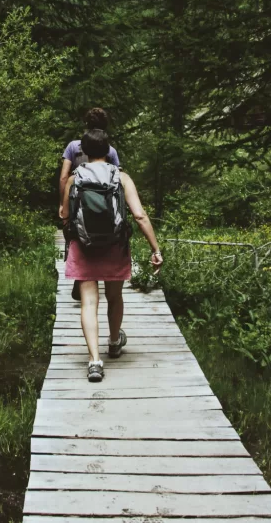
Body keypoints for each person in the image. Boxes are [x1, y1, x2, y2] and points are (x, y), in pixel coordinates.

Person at [60, 129, 163, 382]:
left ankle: (95, 361)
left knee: (88, 303)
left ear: (83, 152)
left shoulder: (74, 179)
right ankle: (114, 341)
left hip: (83, 247)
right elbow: (139, 215)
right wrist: (155, 249)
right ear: (108, 151)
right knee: (114, 297)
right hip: (115, 246)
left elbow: (65, 216)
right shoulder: (122, 177)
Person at [58, 108, 120, 302]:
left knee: (75, 235)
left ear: (86, 124)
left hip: (78, 201)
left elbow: (63, 177)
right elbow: (117, 180)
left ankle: (81, 274)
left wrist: (63, 203)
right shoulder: (109, 150)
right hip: (104, 206)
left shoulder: (74, 146)